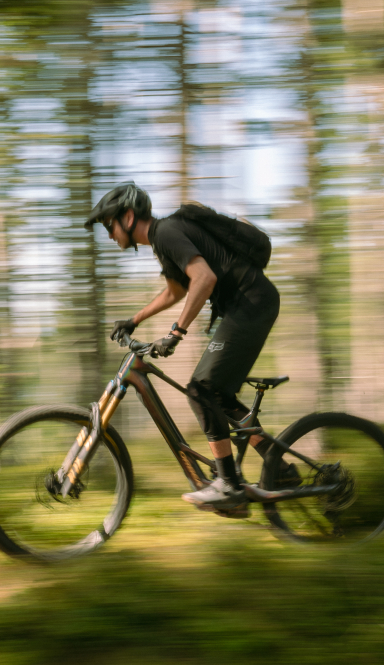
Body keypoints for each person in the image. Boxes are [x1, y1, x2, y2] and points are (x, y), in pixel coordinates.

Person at [84, 182, 280, 518]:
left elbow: (203, 279)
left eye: (109, 225)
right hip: (247, 306)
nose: (109, 233)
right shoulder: (164, 240)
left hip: (251, 304)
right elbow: (176, 290)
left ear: (128, 218)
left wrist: (176, 332)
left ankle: (227, 485)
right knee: (218, 394)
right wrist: (135, 319)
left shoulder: (167, 232)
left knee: (201, 389)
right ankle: (280, 467)